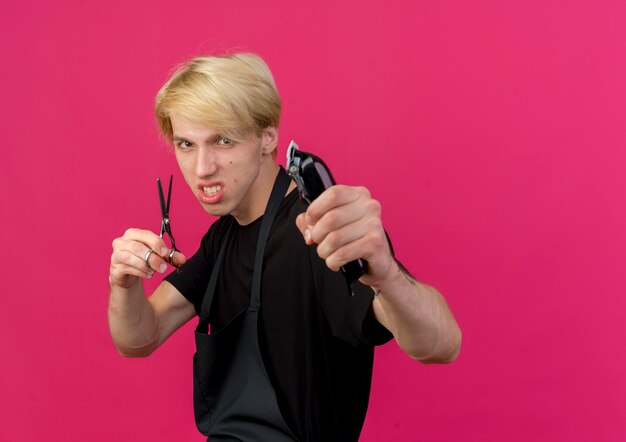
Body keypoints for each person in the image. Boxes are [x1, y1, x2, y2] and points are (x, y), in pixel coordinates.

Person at [108, 53, 461, 441]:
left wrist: (389, 276)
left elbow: (441, 344)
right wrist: (123, 286)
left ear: (268, 137)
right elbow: (139, 338)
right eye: (186, 144)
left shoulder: (317, 230)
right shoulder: (224, 237)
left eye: (222, 140)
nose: (202, 167)